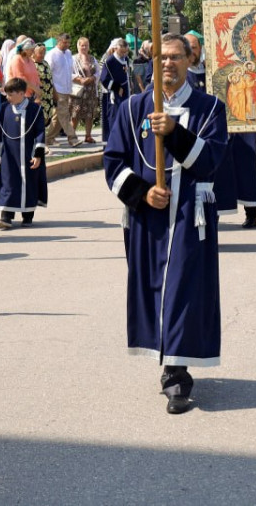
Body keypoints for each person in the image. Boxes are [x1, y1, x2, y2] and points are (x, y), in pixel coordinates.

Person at [103, 33, 228, 414]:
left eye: (175, 57)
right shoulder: (131, 108)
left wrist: (174, 133)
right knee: (155, 290)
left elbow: (210, 161)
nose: (168, 64)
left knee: (183, 293)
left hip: (191, 218)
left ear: (190, 61)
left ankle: (177, 376)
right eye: (161, 59)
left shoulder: (210, 108)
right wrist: (142, 193)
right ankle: (165, 357)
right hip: (148, 220)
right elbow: (113, 162)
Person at [0, 77, 47, 229]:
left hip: (28, 154)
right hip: (9, 155)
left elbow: (39, 133)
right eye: (7, 94)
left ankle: (27, 215)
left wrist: (38, 154)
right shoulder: (4, 108)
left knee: (28, 183)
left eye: (11, 94)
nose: (8, 97)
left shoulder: (35, 110)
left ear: (22, 93)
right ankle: (6, 217)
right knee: (8, 182)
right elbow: (0, 132)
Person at [45, 34, 76, 146]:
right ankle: (72, 138)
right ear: (59, 41)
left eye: (68, 42)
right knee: (64, 114)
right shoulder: (52, 54)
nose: (67, 45)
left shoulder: (68, 53)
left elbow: (69, 71)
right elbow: (48, 74)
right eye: (64, 42)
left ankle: (49, 138)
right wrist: (52, 91)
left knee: (58, 116)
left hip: (67, 88)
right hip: (57, 89)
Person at [99, 38, 130, 142]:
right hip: (115, 95)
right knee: (114, 117)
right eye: (122, 52)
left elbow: (126, 73)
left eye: (126, 52)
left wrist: (130, 82)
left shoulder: (126, 59)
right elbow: (103, 78)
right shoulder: (110, 61)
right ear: (116, 49)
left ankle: (124, 139)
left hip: (126, 92)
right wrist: (117, 87)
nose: (124, 54)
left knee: (125, 116)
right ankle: (112, 141)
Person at [71, 37, 100, 144]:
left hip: (91, 91)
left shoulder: (93, 59)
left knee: (90, 114)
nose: (84, 47)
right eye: (82, 45)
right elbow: (69, 73)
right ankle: (72, 136)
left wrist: (92, 78)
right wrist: (80, 79)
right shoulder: (73, 59)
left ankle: (88, 136)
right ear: (78, 46)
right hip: (79, 90)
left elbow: (98, 72)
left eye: (86, 45)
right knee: (75, 114)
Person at [32, 42, 56, 137]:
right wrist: (37, 96)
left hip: (48, 97)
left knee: (46, 119)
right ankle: (40, 140)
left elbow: (50, 79)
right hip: (39, 97)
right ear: (33, 53)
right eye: (40, 53)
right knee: (39, 120)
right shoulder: (32, 64)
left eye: (44, 52)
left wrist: (55, 94)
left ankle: (42, 140)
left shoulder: (45, 63)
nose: (42, 55)